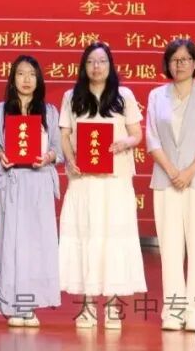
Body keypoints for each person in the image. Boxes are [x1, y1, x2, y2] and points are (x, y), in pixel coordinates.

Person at [58, 41, 147, 329]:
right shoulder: (72, 97)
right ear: (84, 67)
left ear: (110, 65)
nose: (96, 67)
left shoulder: (124, 96)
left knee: (112, 240)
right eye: (91, 62)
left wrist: (124, 143)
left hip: (115, 181)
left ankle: (111, 306)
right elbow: (65, 135)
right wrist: (71, 160)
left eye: (102, 61)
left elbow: (137, 134)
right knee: (86, 237)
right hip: (83, 181)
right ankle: (86, 306)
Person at [146, 39, 195, 332]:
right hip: (166, 181)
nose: (179, 65)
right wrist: (172, 171)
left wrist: (188, 172)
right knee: (170, 248)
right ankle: (174, 311)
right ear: (167, 65)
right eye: (174, 60)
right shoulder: (157, 96)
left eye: (185, 59)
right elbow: (152, 139)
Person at [0, 55, 62, 327]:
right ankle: (10, 305)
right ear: (12, 78)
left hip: (38, 184)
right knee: (10, 244)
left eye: (32, 74)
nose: (26, 79)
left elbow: (59, 149)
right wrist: (0, 154)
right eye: (20, 73)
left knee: (36, 246)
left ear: (38, 79)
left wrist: (49, 156)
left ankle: (29, 305)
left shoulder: (50, 112)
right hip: (12, 182)